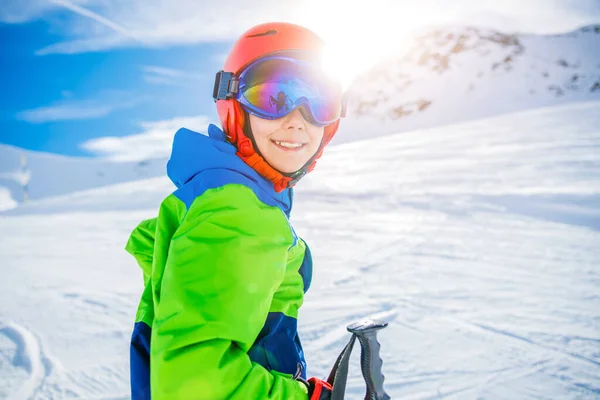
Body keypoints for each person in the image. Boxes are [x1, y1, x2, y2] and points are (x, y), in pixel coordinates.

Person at [125, 21, 345, 400]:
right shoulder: (236, 209)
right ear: (233, 102)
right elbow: (193, 385)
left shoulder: (225, 199)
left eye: (319, 103)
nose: (297, 119)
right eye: (273, 96)